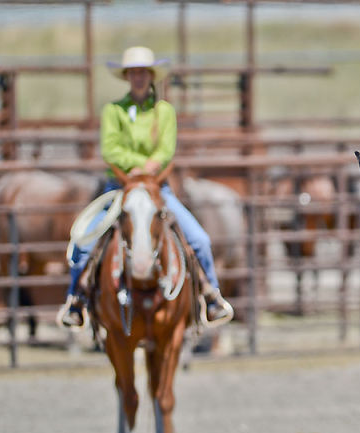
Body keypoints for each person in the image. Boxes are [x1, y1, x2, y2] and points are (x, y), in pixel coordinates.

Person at [57, 46, 233, 328]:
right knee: (84, 241)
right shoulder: (114, 112)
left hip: (156, 190)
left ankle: (211, 295)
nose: (138, 77)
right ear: (127, 76)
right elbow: (110, 150)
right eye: (134, 72)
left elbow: (166, 150)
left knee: (199, 240)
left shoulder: (164, 112)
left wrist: (146, 168)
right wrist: (139, 166)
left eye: (143, 72)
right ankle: (76, 299)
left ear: (151, 76)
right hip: (120, 188)